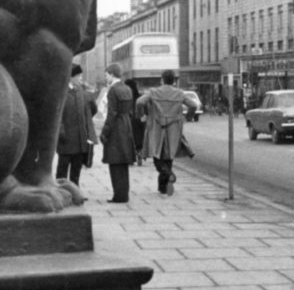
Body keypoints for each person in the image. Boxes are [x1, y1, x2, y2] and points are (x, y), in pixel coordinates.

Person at [137, 70, 200, 195]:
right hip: (173, 128)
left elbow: (139, 102)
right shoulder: (179, 93)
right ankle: (163, 187)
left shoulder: (154, 92)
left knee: (157, 157)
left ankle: (168, 175)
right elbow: (193, 105)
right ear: (174, 81)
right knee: (169, 157)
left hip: (157, 127)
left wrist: (142, 115)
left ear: (162, 80)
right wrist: (187, 117)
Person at [98, 64, 137, 203]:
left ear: (112, 74)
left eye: (107, 75)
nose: (106, 77)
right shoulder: (127, 89)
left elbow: (111, 114)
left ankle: (118, 196)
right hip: (126, 126)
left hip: (116, 129)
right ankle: (124, 194)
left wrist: (104, 133)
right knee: (124, 164)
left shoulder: (113, 90)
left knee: (115, 164)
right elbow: (130, 111)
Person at [55, 65, 97, 187]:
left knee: (76, 168)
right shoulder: (60, 92)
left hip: (80, 138)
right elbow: (57, 116)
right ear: (70, 77)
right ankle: (61, 191)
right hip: (66, 138)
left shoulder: (81, 91)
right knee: (62, 168)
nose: (80, 78)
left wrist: (86, 126)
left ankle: (75, 191)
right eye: (78, 76)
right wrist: (61, 132)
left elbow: (91, 110)